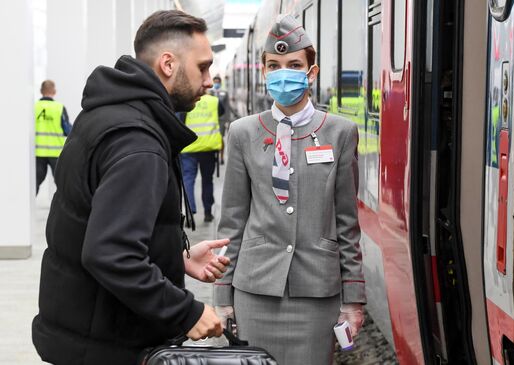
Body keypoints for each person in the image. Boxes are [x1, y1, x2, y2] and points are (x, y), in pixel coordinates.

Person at [32, 10, 230, 365]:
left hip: (82, 331)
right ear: (168, 64)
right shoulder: (139, 143)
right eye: (203, 67)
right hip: (107, 344)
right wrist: (187, 312)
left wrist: (175, 256)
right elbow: (110, 252)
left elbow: (100, 222)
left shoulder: (110, 113)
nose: (209, 80)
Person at [214, 14, 365, 365]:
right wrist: (222, 295)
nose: (284, 72)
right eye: (275, 65)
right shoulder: (242, 133)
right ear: (264, 72)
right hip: (255, 290)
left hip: (316, 293)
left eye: (294, 64)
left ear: (311, 73)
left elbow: (347, 222)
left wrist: (353, 299)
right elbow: (232, 222)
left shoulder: (340, 133)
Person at [179, 90, 224, 222]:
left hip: (189, 146)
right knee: (207, 180)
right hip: (208, 147)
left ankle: (189, 210)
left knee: (188, 178)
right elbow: (221, 112)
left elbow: (180, 119)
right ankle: (208, 212)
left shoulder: (186, 100)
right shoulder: (214, 101)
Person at [34, 80, 71, 194]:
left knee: (35, 182)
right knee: (62, 184)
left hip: (38, 152)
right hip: (56, 153)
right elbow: (67, 129)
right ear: (54, 92)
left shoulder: (34, 107)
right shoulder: (59, 108)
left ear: (41, 91)